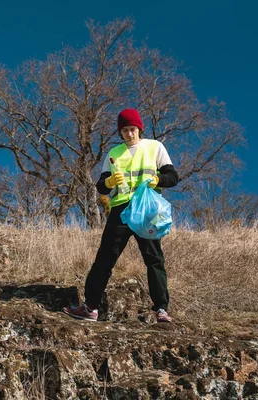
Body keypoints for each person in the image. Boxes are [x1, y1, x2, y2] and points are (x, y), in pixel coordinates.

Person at [63, 108, 179, 323]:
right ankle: (90, 308)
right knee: (104, 260)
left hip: (147, 210)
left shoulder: (155, 147)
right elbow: (101, 187)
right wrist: (107, 183)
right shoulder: (114, 153)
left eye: (133, 129)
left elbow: (173, 177)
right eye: (124, 130)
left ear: (139, 129)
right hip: (121, 211)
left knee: (154, 260)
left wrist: (158, 180)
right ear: (120, 132)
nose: (129, 134)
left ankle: (161, 310)